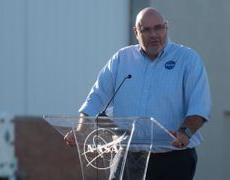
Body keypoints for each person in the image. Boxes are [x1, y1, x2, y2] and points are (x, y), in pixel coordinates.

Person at [65, 7, 212, 180]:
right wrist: (82, 129)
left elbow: (200, 106)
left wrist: (185, 132)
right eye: (146, 30)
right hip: (127, 157)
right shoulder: (122, 59)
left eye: (158, 28)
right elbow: (95, 98)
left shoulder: (187, 59)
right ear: (136, 32)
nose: (154, 35)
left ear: (167, 27)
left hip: (172, 159)